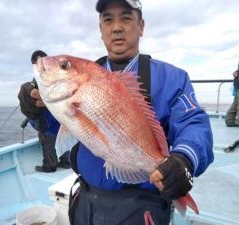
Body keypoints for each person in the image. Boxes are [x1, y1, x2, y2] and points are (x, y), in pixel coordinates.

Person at [68, 1, 214, 225]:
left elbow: (193, 123)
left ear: (141, 26)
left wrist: (184, 159)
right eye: (108, 20)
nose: (116, 27)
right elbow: (59, 123)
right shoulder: (84, 75)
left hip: (141, 207)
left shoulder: (173, 78)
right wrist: (36, 109)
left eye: (126, 18)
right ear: (100, 29)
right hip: (84, 202)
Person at [18, 50, 70, 172]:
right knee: (62, 140)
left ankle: (49, 166)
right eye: (39, 62)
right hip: (60, 120)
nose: (42, 65)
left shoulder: (38, 81)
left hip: (49, 123)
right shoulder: (47, 79)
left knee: (48, 140)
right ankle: (66, 162)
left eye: (44, 61)